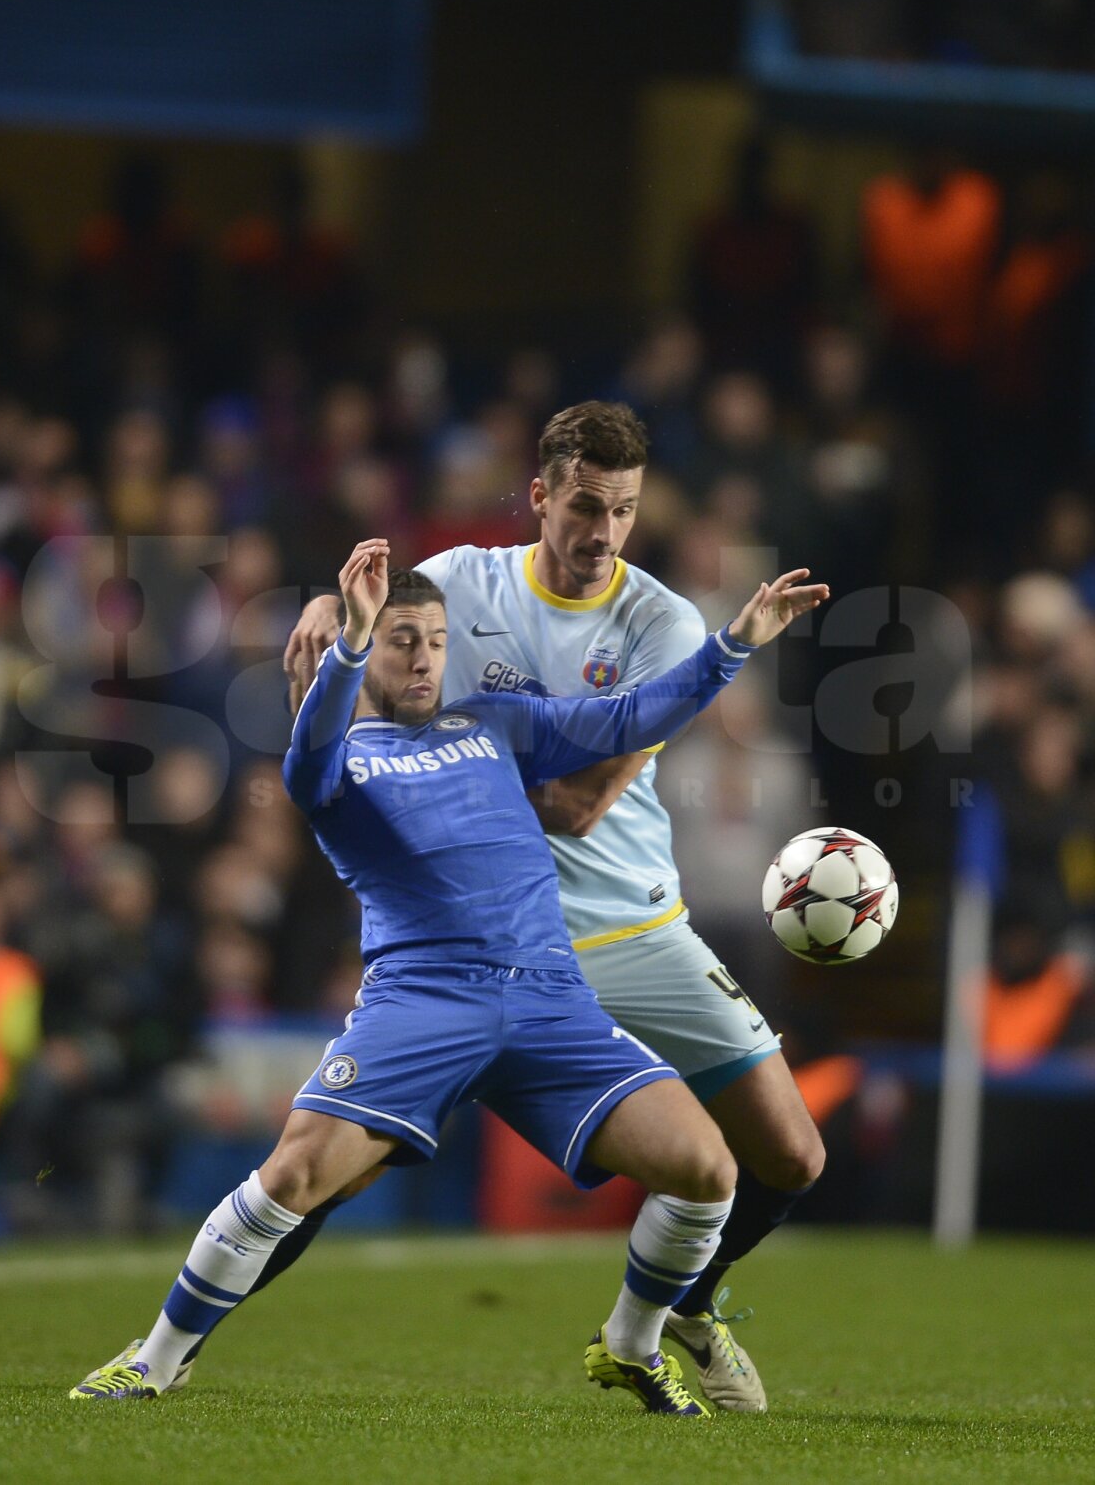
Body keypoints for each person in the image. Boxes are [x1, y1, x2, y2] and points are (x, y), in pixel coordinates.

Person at [88, 400, 827, 1412]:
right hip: (447, 964)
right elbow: (361, 647)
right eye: (585, 506)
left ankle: (668, 1320)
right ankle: (162, 1350)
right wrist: (337, 623)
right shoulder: (447, 610)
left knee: (766, 1155)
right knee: (319, 1175)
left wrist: (733, 644)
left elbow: (589, 788)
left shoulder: (633, 637)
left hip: (611, 937)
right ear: (541, 495)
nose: (604, 530)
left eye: (624, 510)